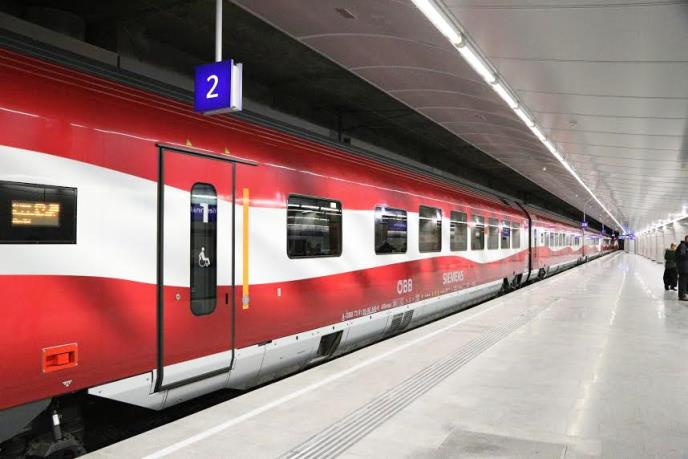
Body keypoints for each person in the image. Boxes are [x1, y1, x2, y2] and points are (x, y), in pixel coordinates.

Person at [676, 236, 688, 301]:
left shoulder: (684, 246)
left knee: (684, 281)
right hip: (683, 267)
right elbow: (682, 255)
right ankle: (682, 296)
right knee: (682, 281)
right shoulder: (683, 246)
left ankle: (683, 294)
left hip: (684, 267)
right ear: (686, 239)